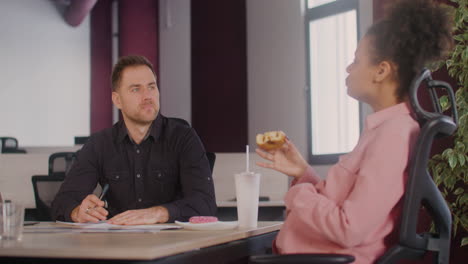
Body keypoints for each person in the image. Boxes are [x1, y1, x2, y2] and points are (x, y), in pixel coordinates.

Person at [256, 0, 453, 263]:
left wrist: (297, 195)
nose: (349, 68)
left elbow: (350, 227)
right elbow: (343, 207)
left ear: (381, 70)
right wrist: (303, 174)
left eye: (356, 60)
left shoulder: (393, 135)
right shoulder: (383, 130)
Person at [52, 55, 217, 224]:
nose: (147, 96)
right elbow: (62, 202)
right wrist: (77, 212)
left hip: (172, 244)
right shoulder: (99, 144)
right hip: (118, 244)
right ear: (117, 100)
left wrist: (158, 213)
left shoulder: (183, 138)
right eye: (136, 89)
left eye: (151, 87)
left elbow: (205, 204)